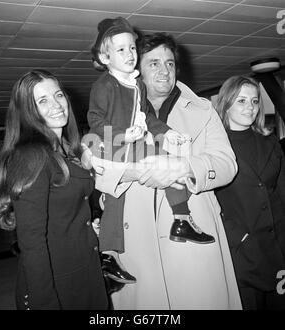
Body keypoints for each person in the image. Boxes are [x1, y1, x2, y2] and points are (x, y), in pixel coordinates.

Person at [83, 32, 242, 309]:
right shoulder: (114, 118)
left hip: (192, 237)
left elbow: (227, 164)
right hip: (136, 241)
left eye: (170, 63)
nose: (165, 70)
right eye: (154, 63)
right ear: (136, 70)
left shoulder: (203, 110)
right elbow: (100, 172)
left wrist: (183, 167)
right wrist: (130, 172)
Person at [0, 70, 108, 310]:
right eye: (42, 101)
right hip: (57, 283)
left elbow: (70, 208)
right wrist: (45, 302)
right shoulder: (31, 157)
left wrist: (89, 223)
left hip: (86, 270)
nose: (56, 104)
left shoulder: (69, 150)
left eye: (58, 95)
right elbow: (32, 242)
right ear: (27, 111)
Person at [215, 75, 285, 310]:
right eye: (242, 101)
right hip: (242, 255)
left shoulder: (270, 143)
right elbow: (209, 203)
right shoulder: (214, 149)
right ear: (226, 104)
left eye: (255, 101)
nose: (250, 107)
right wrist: (240, 239)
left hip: (278, 248)